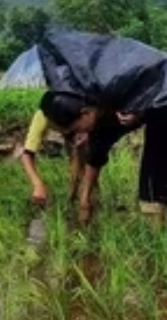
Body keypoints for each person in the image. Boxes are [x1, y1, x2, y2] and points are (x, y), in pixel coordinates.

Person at [20, 90, 148, 223]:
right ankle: (75, 197)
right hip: (80, 129)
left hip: (85, 125)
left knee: (89, 158)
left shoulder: (83, 108)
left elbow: (95, 150)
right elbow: (27, 154)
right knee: (76, 165)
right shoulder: (42, 118)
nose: (66, 131)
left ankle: (89, 199)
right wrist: (37, 184)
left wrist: (87, 132)